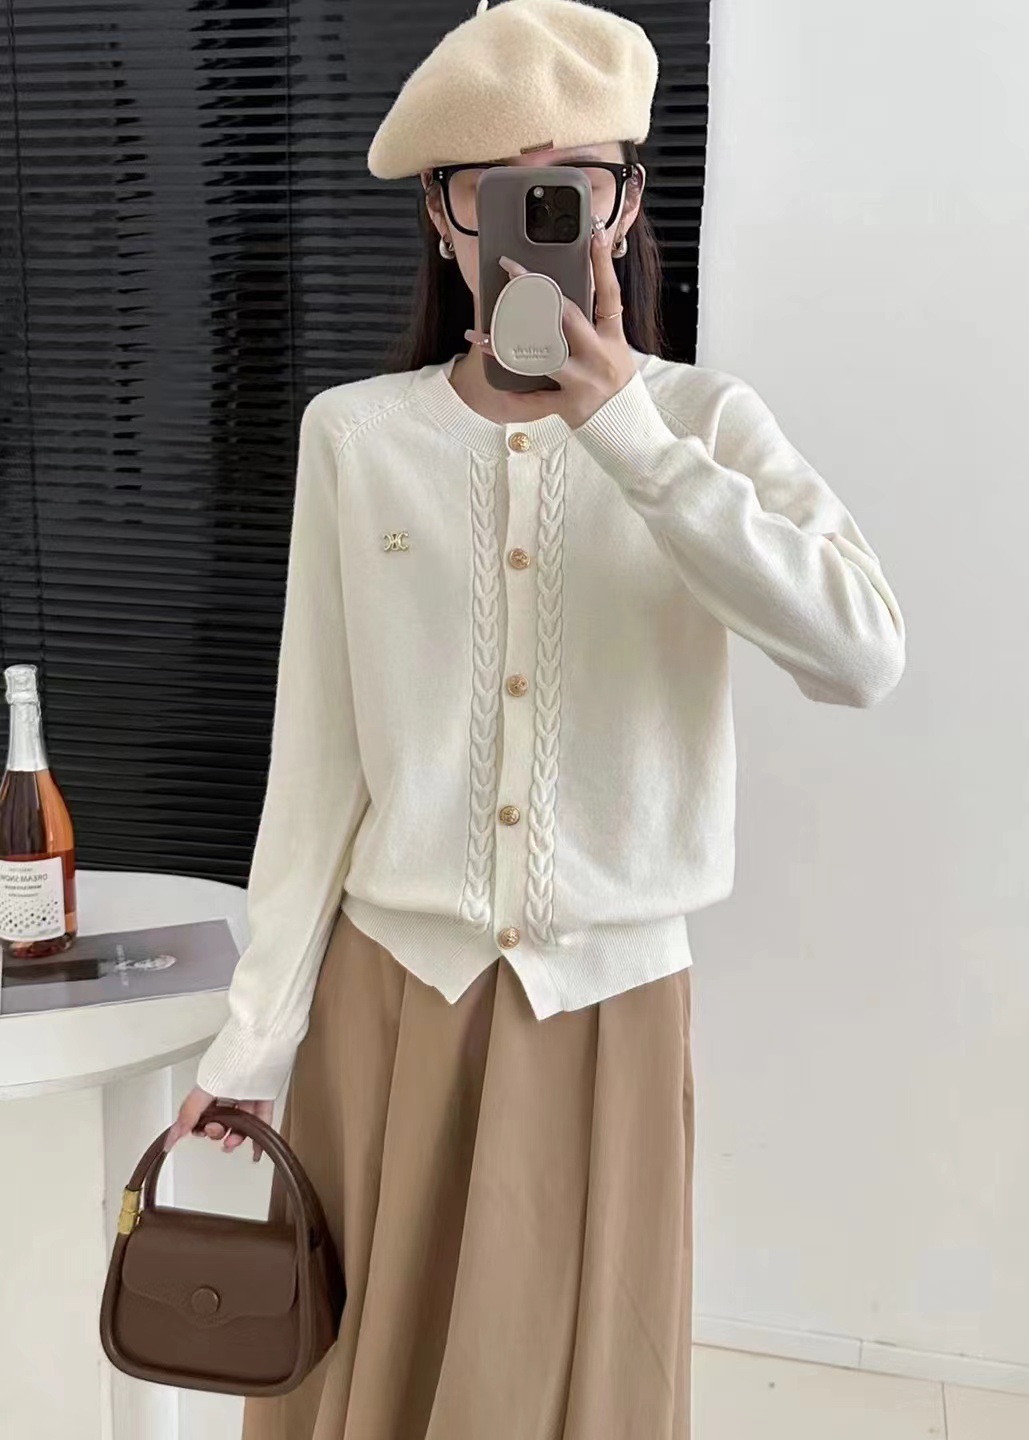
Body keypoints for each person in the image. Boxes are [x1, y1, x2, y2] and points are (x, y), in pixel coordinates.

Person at [165, 1, 906, 1436]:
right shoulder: (356, 437)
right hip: (393, 1006)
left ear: (623, 205)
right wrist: (254, 1042)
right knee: (359, 1386)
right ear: (443, 218)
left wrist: (625, 431)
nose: (534, 224)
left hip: (608, 1015)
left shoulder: (706, 426)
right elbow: (316, 766)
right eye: (493, 192)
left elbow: (860, 653)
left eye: (573, 185)